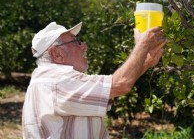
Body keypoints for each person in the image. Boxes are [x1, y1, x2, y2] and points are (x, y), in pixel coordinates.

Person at [22, 21, 166, 139]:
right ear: (57, 54)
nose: (84, 46)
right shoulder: (57, 82)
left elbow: (113, 88)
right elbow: (120, 84)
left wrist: (146, 62)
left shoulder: (50, 79)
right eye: (76, 42)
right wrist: (142, 44)